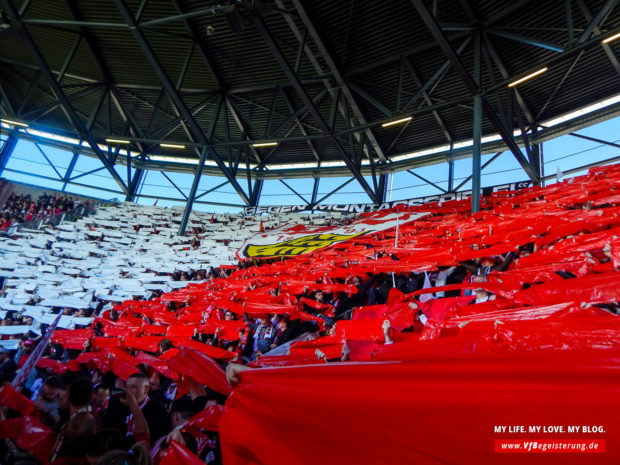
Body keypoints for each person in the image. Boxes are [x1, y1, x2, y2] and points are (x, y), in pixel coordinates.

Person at [103, 373, 170, 445]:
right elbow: (107, 429)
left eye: (134, 387)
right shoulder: (118, 404)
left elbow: (159, 438)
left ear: (146, 388)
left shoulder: (158, 409)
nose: (129, 391)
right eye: (127, 387)